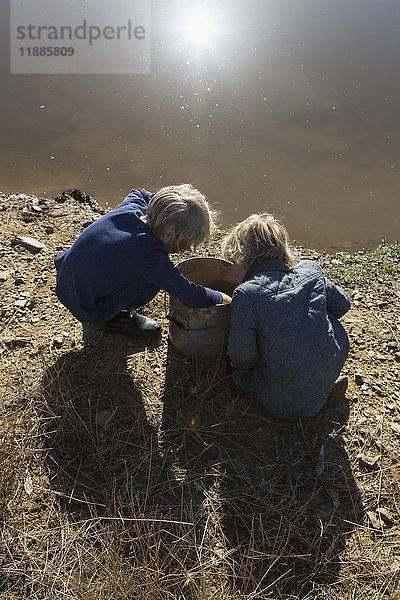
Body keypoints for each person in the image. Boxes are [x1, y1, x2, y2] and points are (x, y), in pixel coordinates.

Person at [55, 184, 230, 338]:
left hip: (65, 277)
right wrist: (223, 298)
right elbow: (189, 294)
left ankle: (98, 297)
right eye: (183, 244)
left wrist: (169, 209)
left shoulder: (135, 205)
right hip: (87, 308)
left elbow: (140, 192)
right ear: (169, 234)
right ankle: (114, 318)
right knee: (152, 280)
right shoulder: (148, 254)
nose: (183, 249)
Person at [221, 213, 350, 419]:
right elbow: (343, 305)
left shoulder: (246, 293)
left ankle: (303, 390)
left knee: (235, 371)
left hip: (281, 403)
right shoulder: (310, 271)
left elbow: (243, 358)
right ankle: (322, 387)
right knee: (320, 317)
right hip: (328, 366)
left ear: (243, 260)